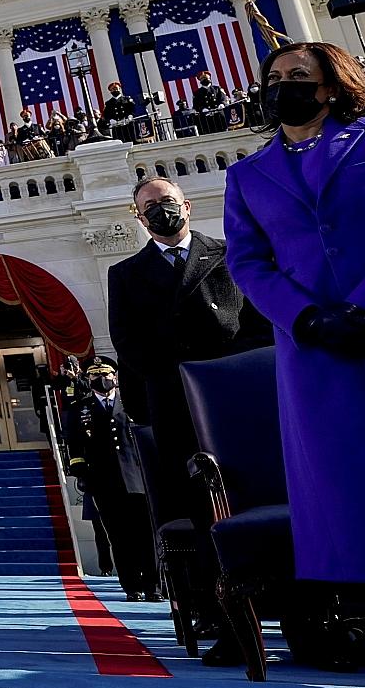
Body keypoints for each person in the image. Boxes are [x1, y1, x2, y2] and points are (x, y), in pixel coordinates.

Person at [222, 40, 365, 585]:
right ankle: (360, 600)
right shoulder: (246, 176)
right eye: (273, 78)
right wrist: (309, 318)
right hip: (315, 349)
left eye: (297, 74)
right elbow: (248, 263)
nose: (281, 85)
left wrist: (364, 306)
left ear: (330, 87)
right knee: (343, 481)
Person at [107, 175, 272, 662]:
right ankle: (226, 619)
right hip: (179, 405)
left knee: (257, 496)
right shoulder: (126, 273)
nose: (162, 211)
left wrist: (226, 372)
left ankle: (297, 611)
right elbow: (130, 347)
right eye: (150, 207)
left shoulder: (227, 253)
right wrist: (184, 372)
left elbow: (258, 325)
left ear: (187, 203)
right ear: (139, 218)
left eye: (168, 202)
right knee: (205, 512)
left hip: (239, 401)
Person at [64, 359, 158, 601]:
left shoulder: (132, 402)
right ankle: (132, 586)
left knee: (145, 534)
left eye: (105, 374)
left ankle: (153, 585)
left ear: (115, 376)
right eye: (94, 375)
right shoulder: (80, 408)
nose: (101, 379)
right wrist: (81, 472)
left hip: (137, 478)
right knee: (119, 536)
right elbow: (74, 444)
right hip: (103, 481)